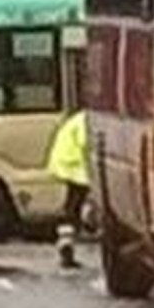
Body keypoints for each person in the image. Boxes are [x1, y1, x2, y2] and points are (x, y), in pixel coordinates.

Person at [49, 102, 90, 264]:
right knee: (76, 204)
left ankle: (66, 241)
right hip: (75, 166)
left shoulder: (77, 119)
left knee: (72, 203)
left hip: (67, 165)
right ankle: (68, 241)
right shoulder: (85, 121)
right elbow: (86, 144)